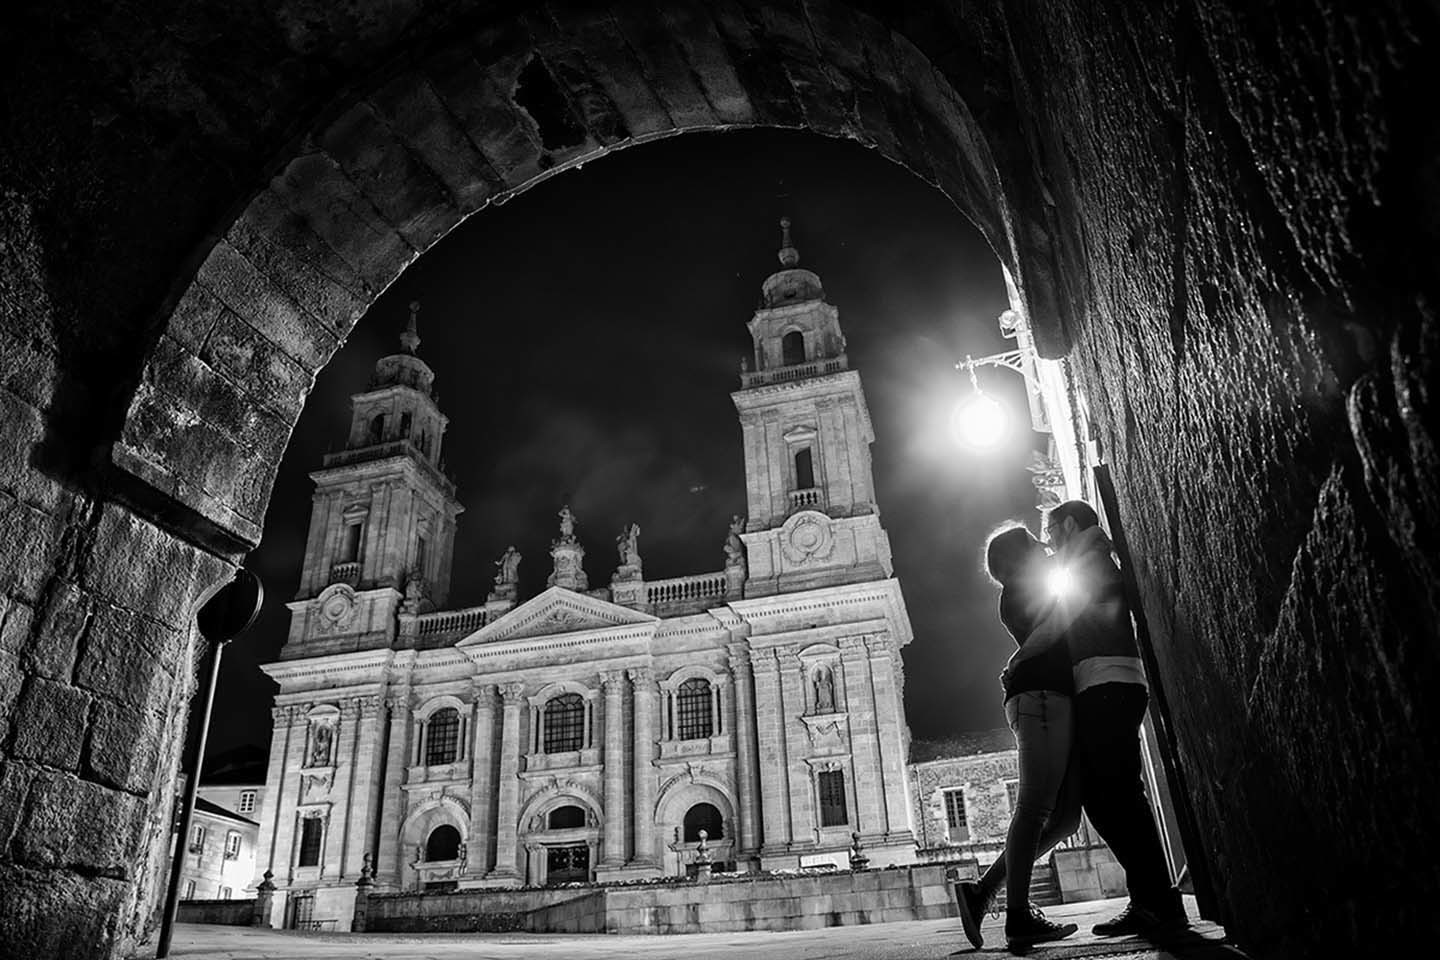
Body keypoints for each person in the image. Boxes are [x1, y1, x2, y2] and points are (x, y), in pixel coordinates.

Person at [1044, 499, 1187, 938]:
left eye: (1052, 531)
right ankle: (1151, 899)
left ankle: (1157, 900)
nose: (1049, 541)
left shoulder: (1089, 559)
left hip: (1107, 684)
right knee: (1116, 796)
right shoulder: (1089, 556)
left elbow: (1070, 620)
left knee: (1114, 797)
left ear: (1070, 524)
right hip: (1110, 683)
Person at [954, 525, 1082, 952]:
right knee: (1034, 808)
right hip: (1040, 696)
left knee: (1065, 819)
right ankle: (1018, 917)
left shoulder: (1025, 587)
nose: (1043, 545)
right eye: (1034, 542)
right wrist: (1016, 662)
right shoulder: (1020, 588)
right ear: (1019, 556)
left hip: (1048, 696)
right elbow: (1054, 626)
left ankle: (983, 892)